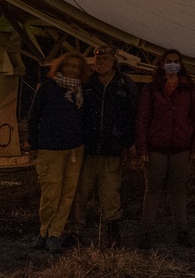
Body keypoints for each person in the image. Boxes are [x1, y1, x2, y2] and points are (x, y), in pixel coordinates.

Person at [66, 45, 138, 248]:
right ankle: (75, 232)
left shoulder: (125, 85)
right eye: (98, 60)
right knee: (80, 193)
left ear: (113, 62)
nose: (101, 63)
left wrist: (127, 143)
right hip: (87, 149)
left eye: (105, 59)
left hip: (111, 149)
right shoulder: (87, 84)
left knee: (110, 194)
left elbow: (133, 116)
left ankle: (113, 233)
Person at [136, 49, 195, 249]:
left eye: (175, 61)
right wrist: (143, 148)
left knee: (178, 192)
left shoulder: (189, 89)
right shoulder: (151, 89)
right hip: (156, 147)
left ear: (180, 65)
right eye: (168, 61)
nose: (172, 65)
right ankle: (146, 232)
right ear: (162, 64)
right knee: (153, 191)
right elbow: (142, 119)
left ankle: (182, 231)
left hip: (181, 148)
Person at [27, 52, 88, 253]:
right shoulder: (48, 88)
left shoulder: (82, 91)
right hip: (50, 148)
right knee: (51, 194)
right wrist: (34, 143)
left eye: (76, 67)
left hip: (74, 149)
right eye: (68, 65)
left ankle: (54, 234)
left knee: (68, 194)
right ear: (60, 67)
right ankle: (44, 231)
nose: (72, 69)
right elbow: (34, 116)